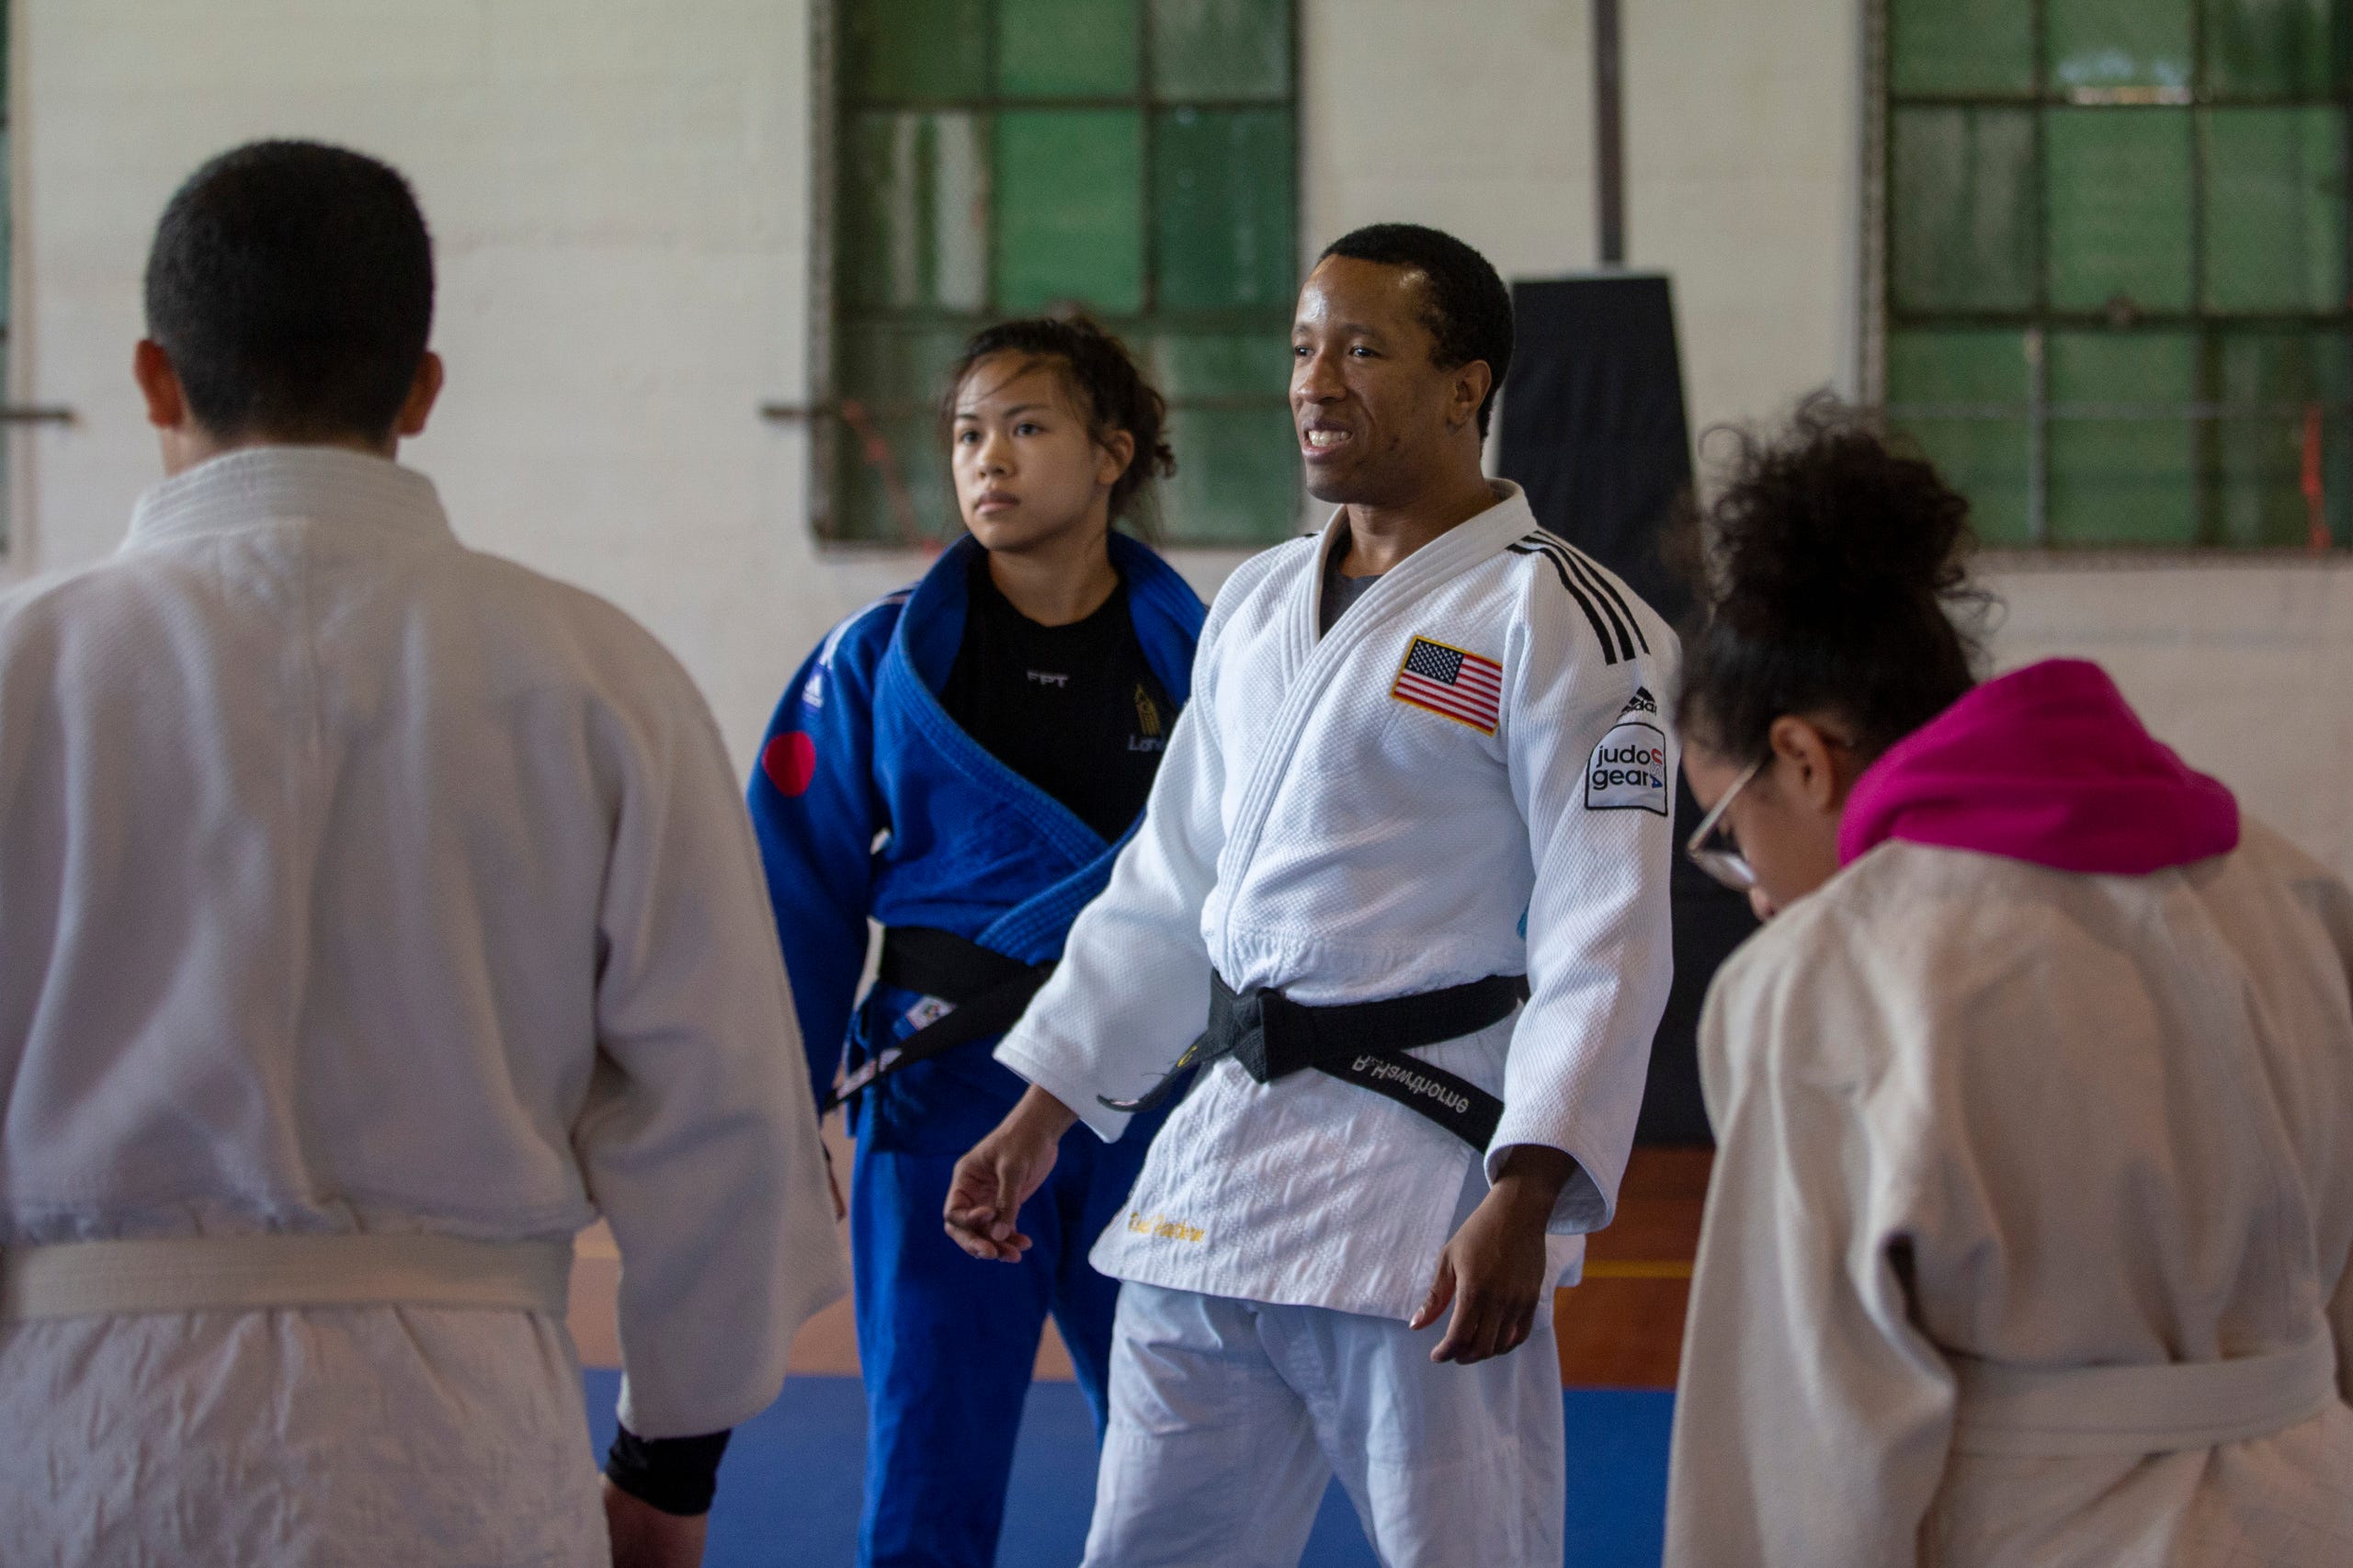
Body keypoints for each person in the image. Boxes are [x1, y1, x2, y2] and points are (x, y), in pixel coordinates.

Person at [0, 141, 847, 1567]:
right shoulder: (598, 677)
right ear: (422, 388)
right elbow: (730, 1117)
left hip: (88, 1444)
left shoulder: (27, 669)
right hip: (456, 1450)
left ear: (154, 378)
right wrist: (666, 1468)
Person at [942, 223, 1679, 1567]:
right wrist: (1045, 1104)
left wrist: (1529, 1184)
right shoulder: (1261, 598)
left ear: (1467, 384)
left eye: (1361, 347)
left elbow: (1608, 929)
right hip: (1216, 1173)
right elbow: (1172, 884)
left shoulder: (1564, 619)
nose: (1314, 381)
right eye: (1300, 347)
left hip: (1425, 1188)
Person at [1662, 404, 2353, 1566]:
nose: (1748, 884)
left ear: (1801, 758)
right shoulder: (2293, 891)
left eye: (1728, 832)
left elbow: (1802, 1437)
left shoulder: (1831, 980)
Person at [747, 316, 1204, 1567]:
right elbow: (794, 893)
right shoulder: (874, 660)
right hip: (942, 1087)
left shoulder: (1216, 667)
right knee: (930, 1461)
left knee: (1183, 1458)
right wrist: (787, 1114)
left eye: (1026, 426)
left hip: (1147, 1100)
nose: (986, 458)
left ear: (1113, 453)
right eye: (965, 433)